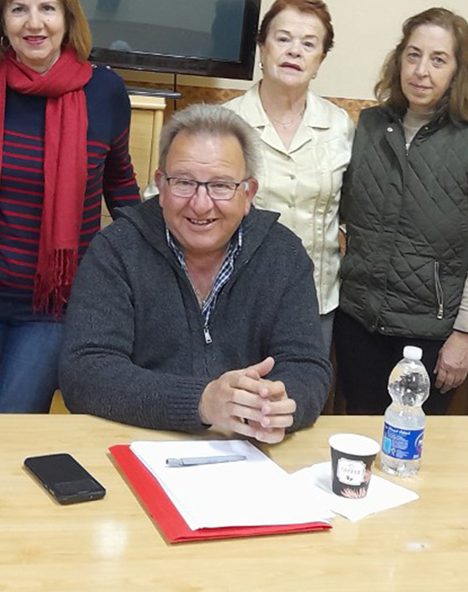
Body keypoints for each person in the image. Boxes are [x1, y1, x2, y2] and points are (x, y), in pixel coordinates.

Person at [0, 0, 140, 413]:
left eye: (47, 8)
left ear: (68, 18)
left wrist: (147, 265)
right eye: (18, 9)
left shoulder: (105, 93)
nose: (34, 23)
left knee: (12, 429)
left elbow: (121, 185)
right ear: (2, 22)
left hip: (56, 306)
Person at [58, 104, 331, 441]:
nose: (201, 205)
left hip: (249, 451)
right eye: (184, 183)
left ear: (248, 194)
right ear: (160, 185)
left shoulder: (284, 255)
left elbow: (307, 368)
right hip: (134, 442)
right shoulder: (116, 249)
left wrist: (277, 403)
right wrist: (202, 403)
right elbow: (84, 371)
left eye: (220, 186)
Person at [335, 7, 468, 415]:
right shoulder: (370, 126)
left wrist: (465, 335)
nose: (421, 71)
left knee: (411, 453)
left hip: (432, 339)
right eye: (413, 55)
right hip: (359, 324)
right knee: (358, 443)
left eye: (438, 59)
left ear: (458, 71)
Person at [224, 0, 353, 359]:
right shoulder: (224, 124)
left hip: (317, 301)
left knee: (300, 405)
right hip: (238, 301)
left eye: (309, 43)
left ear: (320, 60)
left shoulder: (339, 125)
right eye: (282, 39)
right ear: (262, 48)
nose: (294, 51)